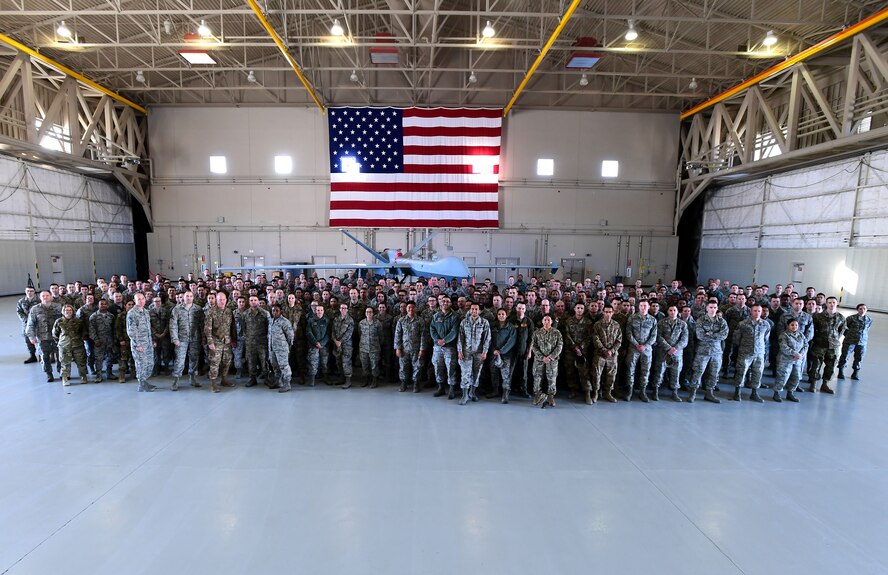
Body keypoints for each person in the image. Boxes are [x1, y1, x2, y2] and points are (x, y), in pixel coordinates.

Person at [687, 300, 729, 403]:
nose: (713, 309)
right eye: (711, 307)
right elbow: (700, 335)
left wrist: (709, 334)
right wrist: (715, 335)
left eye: (715, 307)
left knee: (714, 373)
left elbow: (724, 335)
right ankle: (693, 393)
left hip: (716, 352)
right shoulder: (700, 320)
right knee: (698, 371)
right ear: (707, 308)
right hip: (702, 351)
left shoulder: (721, 321)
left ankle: (709, 393)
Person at [731, 303, 771, 402]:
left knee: (758, 373)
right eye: (755, 311)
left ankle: (754, 393)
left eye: (759, 311)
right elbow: (736, 338)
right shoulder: (743, 324)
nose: (757, 313)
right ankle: (737, 392)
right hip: (745, 352)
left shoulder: (765, 324)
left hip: (759, 353)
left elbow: (766, 338)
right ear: (750, 311)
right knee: (741, 371)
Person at [808, 296, 846, 394]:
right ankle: (813, 384)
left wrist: (834, 339)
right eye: (829, 302)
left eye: (833, 302)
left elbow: (841, 331)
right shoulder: (818, 316)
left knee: (831, 366)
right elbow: (813, 329)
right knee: (816, 365)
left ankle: (825, 384)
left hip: (833, 347)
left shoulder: (841, 317)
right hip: (819, 345)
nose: (831, 304)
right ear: (826, 303)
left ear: (836, 303)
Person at [651, 304, 688, 402]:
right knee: (659, 372)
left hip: (677, 352)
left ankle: (674, 392)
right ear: (667, 312)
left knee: (675, 373)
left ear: (677, 312)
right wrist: (668, 348)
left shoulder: (683, 324)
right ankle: (655, 391)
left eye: (674, 310)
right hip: (663, 351)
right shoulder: (661, 323)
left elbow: (684, 339)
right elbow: (658, 336)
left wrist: (675, 348)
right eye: (670, 310)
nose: (672, 312)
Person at [456, 303, 491, 405]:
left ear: (479, 311)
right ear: (470, 310)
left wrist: (485, 352)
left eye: (476, 309)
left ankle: (472, 392)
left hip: (479, 352)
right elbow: (460, 337)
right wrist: (459, 350)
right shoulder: (464, 322)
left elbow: (487, 339)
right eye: (472, 309)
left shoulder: (484, 322)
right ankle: (465, 395)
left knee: (477, 373)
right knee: (465, 373)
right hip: (466, 352)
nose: (474, 311)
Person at [26, 290, 63, 382]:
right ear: (40, 297)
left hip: (57, 337)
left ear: (50, 296)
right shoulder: (35, 309)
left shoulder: (58, 307)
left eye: (47, 295)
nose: (45, 297)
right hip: (42, 338)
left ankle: (62, 372)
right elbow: (30, 324)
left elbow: (64, 320)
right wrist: (32, 337)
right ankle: (49, 374)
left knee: (61, 356)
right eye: (43, 296)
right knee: (44, 357)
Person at [625, 299, 657, 402]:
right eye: (641, 305)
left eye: (645, 306)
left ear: (648, 307)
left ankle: (643, 391)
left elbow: (654, 335)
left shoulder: (652, 320)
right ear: (639, 307)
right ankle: (629, 391)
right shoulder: (632, 317)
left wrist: (645, 345)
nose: (643, 308)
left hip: (647, 350)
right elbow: (628, 333)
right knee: (630, 369)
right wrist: (637, 344)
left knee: (645, 370)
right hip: (633, 348)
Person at [170, 290, 203, 388]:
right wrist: (175, 339)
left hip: (195, 338)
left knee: (194, 359)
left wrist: (203, 338)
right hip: (181, 339)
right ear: (183, 298)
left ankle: (192, 379)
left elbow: (202, 324)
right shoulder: (177, 309)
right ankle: (176, 380)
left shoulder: (198, 309)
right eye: (187, 296)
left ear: (193, 297)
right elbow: (173, 325)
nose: (188, 298)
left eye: (190, 296)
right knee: (179, 360)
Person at [204, 292, 236, 393]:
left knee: (227, 361)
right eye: (219, 300)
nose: (222, 302)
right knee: (215, 363)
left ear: (226, 300)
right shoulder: (211, 312)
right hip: (215, 341)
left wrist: (233, 339)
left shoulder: (229, 311)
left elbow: (232, 327)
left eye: (223, 300)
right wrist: (210, 342)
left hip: (227, 341)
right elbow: (207, 328)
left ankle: (224, 380)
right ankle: (213, 383)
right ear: (216, 300)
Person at [429, 296, 459, 398]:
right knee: (438, 367)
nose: (445, 303)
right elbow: (432, 329)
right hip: (437, 347)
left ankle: (451, 389)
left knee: (450, 368)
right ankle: (441, 387)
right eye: (443, 301)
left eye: (447, 301)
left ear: (450, 304)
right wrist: (437, 340)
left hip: (450, 347)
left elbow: (454, 331)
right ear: (440, 302)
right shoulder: (436, 316)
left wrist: (445, 340)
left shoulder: (455, 316)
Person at [126, 293, 156, 392]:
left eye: (143, 298)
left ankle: (144, 381)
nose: (141, 301)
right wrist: (137, 344)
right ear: (135, 301)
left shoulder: (146, 312)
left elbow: (148, 328)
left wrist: (152, 340)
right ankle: (141, 385)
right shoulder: (132, 313)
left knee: (150, 363)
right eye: (139, 299)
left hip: (148, 343)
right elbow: (131, 331)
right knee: (141, 364)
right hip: (139, 345)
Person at [531, 314, 563, 408]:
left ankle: (550, 396)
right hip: (539, 360)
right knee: (537, 377)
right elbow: (534, 346)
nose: (546, 322)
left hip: (552, 360)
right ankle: (537, 395)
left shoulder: (557, 332)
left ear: (552, 321)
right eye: (545, 320)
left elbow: (559, 346)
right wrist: (542, 357)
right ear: (542, 321)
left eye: (549, 320)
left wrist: (551, 357)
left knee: (552, 378)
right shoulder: (537, 332)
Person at [52, 304, 88, 386]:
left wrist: (81, 339)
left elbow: (83, 332)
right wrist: (61, 342)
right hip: (64, 346)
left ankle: (83, 376)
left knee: (81, 362)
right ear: (63, 312)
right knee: (65, 363)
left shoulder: (78, 321)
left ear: (73, 312)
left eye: (70, 310)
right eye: (66, 310)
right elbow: (55, 334)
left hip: (78, 345)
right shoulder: (59, 321)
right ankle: (65, 378)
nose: (68, 312)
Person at [394, 302, 426, 393]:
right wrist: (398, 348)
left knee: (417, 367)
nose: (410, 309)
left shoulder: (420, 320)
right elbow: (397, 335)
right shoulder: (401, 320)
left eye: (412, 307)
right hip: (404, 349)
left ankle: (416, 383)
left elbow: (423, 336)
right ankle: (403, 383)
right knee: (403, 367)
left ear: (415, 309)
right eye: (409, 308)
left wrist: (422, 349)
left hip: (416, 349)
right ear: (406, 309)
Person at [772, 318, 806, 402]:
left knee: (796, 377)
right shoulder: (784, 335)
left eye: (796, 325)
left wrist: (801, 354)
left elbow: (806, 345)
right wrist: (795, 354)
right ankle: (776, 393)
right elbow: (784, 347)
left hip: (797, 360)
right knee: (783, 377)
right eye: (792, 325)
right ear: (788, 326)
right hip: (785, 360)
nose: (794, 327)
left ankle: (790, 393)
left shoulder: (801, 335)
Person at [490, 308, 517, 404]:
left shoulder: (511, 327)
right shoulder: (493, 326)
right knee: (494, 373)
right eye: (499, 314)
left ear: (506, 315)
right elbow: (489, 339)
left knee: (505, 375)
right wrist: (494, 350)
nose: (501, 316)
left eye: (503, 314)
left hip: (506, 355)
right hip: (493, 354)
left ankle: (505, 393)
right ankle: (495, 391)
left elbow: (511, 341)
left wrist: (501, 351)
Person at [838, 303, 871, 381]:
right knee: (845, 356)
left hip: (862, 343)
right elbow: (844, 328)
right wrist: (848, 335)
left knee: (859, 358)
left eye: (864, 309)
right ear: (857, 310)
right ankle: (841, 371)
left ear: (866, 310)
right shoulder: (851, 318)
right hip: (850, 341)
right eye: (860, 309)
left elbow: (867, 329)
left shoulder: (869, 320)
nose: (862, 310)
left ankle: (855, 373)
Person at [243, 295, 271, 387]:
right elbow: (244, 328)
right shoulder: (245, 314)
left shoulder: (265, 313)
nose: (253, 302)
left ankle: (267, 378)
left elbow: (268, 328)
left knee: (264, 361)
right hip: (250, 342)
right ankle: (252, 379)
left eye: (255, 300)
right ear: (249, 302)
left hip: (262, 342)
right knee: (251, 361)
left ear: (258, 301)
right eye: (251, 300)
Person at [268, 304, 295, 393]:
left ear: (281, 311)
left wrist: (287, 346)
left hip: (282, 348)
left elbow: (290, 336)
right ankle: (278, 382)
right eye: (273, 310)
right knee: (275, 366)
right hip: (272, 348)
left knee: (284, 366)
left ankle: (287, 384)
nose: (274, 312)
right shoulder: (270, 321)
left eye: (277, 310)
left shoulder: (285, 322)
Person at [89, 299, 116, 382]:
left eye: (105, 304)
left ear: (107, 305)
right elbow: (91, 330)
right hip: (99, 341)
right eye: (101, 304)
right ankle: (99, 375)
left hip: (109, 340)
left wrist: (114, 340)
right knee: (99, 359)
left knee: (109, 358)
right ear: (98, 305)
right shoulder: (93, 316)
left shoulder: (111, 316)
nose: (103, 305)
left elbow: (114, 329)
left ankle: (109, 373)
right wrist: (96, 340)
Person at [357, 307, 383, 388]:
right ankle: (365, 379)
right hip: (363, 348)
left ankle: (374, 380)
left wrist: (377, 344)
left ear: (373, 313)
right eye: (367, 312)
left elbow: (381, 336)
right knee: (364, 365)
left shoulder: (377, 323)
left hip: (374, 348)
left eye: (370, 312)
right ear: (365, 313)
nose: (369, 313)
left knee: (374, 365)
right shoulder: (361, 323)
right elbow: (359, 334)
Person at [306, 303, 330, 386]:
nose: (319, 312)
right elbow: (308, 332)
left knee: (325, 362)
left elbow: (328, 333)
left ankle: (326, 377)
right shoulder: (310, 320)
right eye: (318, 310)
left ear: (323, 311)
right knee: (313, 362)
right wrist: (315, 342)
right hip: (313, 345)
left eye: (321, 310)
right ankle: (312, 379)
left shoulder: (326, 320)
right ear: (315, 311)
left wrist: (322, 343)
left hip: (324, 345)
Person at [332, 303, 355, 388]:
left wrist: (340, 341)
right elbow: (333, 330)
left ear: (347, 309)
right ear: (339, 309)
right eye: (342, 308)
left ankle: (348, 381)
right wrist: (335, 340)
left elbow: (349, 333)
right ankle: (341, 378)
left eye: (345, 308)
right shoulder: (336, 319)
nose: (343, 309)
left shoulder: (350, 320)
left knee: (346, 362)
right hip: (337, 344)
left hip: (346, 345)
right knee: (338, 361)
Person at [17, 286, 39, 363]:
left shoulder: (39, 300)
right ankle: (32, 356)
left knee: (39, 339)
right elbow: (19, 311)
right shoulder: (21, 301)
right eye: (28, 291)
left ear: (34, 292)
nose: (29, 292)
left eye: (31, 291)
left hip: (37, 323)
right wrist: (26, 319)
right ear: (25, 292)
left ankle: (41, 355)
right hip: (26, 324)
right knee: (28, 340)